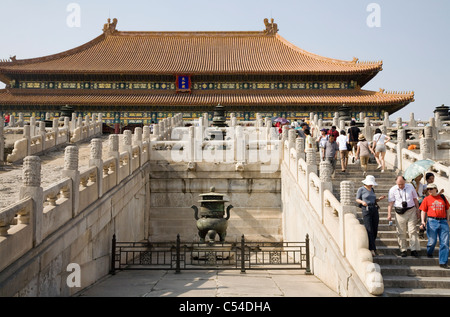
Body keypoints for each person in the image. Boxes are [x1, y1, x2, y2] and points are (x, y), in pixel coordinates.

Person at [387, 176, 421, 257]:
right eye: (399, 184)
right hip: (399, 212)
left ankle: (413, 249)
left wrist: (418, 210)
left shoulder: (410, 187)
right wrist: (389, 214)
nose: (400, 186)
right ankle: (403, 249)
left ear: (405, 182)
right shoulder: (393, 189)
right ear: (396, 183)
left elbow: (415, 199)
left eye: (402, 184)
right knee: (401, 231)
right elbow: (390, 203)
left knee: (412, 230)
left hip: (411, 210)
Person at [419, 183, 450, 268]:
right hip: (432, 221)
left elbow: (447, 209)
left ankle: (443, 262)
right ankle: (429, 252)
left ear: (436, 189)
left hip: (443, 221)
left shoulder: (442, 197)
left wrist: (448, 220)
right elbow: (423, 211)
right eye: (428, 189)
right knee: (432, 241)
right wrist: (423, 221)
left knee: (445, 243)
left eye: (431, 189)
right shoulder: (426, 199)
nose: (429, 190)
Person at [356, 175, 387, 257]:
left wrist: (379, 199)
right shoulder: (361, 189)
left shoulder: (372, 189)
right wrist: (362, 202)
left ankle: (372, 245)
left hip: (374, 208)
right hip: (366, 209)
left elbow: (373, 200)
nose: (371, 185)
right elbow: (357, 199)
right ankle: (372, 248)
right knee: (369, 228)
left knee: (374, 228)